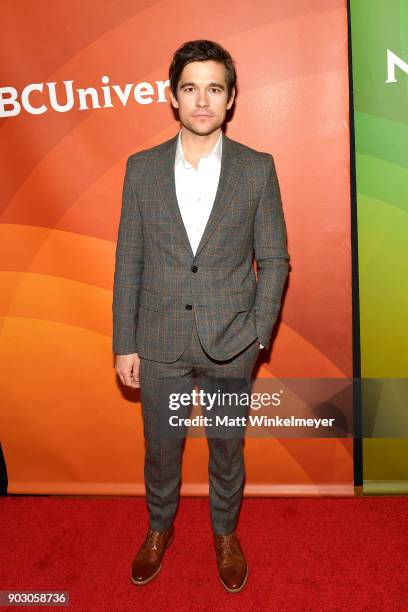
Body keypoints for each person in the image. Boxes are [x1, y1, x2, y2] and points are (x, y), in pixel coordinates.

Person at [112, 39, 290, 593]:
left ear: (231, 98)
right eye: (191, 88)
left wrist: (258, 331)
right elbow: (128, 262)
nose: (203, 100)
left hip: (231, 341)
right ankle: (158, 530)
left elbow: (276, 258)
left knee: (227, 450)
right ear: (173, 98)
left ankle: (225, 534)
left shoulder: (256, 169)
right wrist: (124, 341)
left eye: (215, 88)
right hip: (158, 338)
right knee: (161, 451)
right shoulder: (141, 170)